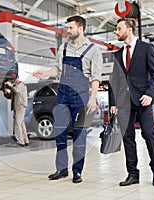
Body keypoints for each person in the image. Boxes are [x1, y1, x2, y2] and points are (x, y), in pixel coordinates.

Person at [33, 15, 102, 183]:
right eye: (67, 27)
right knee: (60, 132)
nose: (68, 31)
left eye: (71, 28)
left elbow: (95, 78)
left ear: (81, 28)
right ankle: (61, 169)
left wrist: (92, 99)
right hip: (63, 94)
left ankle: (77, 171)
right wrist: (46, 73)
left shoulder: (93, 50)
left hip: (81, 96)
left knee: (79, 134)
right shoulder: (63, 48)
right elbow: (58, 70)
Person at [109, 18, 154, 186]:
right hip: (124, 102)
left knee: (148, 133)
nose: (116, 32)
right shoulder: (118, 54)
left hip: (143, 100)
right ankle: (133, 174)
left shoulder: (146, 48)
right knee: (128, 137)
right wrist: (112, 103)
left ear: (129, 29)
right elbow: (115, 80)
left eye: (119, 28)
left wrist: (150, 94)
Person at [1, 77, 29, 147]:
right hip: (17, 106)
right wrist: (5, 92)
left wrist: (9, 85)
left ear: (18, 78)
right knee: (21, 123)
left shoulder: (21, 84)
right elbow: (11, 96)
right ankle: (25, 140)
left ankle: (20, 141)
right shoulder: (15, 86)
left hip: (20, 106)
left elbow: (16, 90)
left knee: (17, 124)